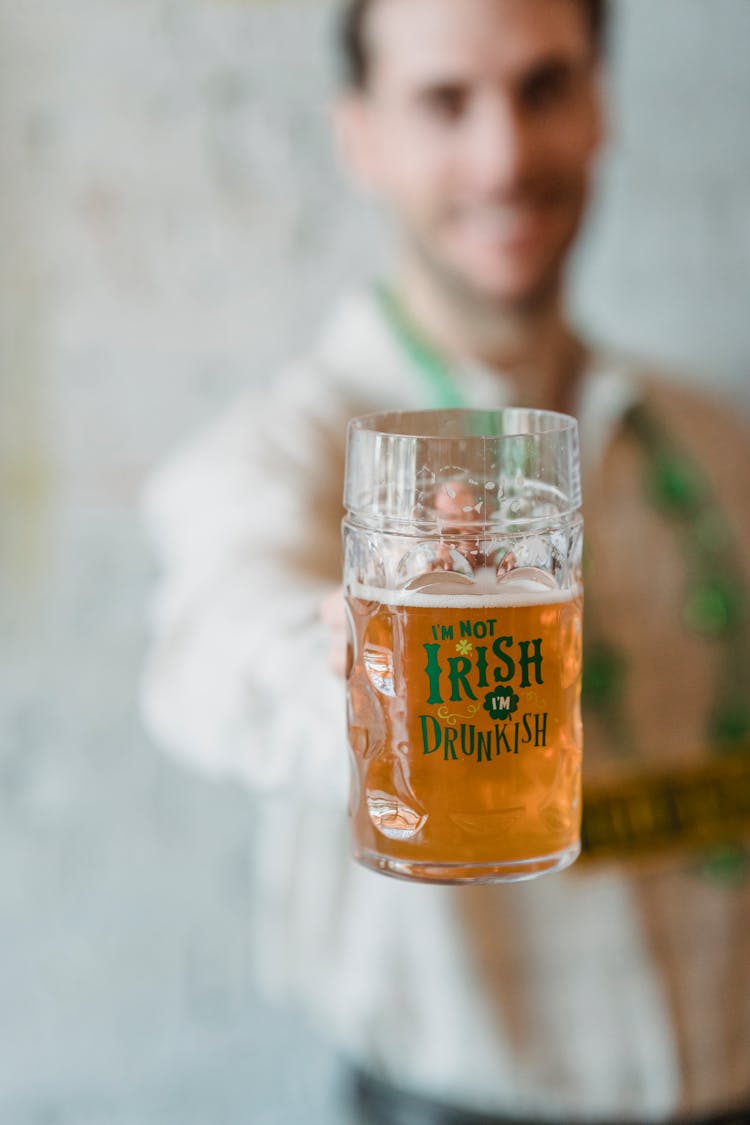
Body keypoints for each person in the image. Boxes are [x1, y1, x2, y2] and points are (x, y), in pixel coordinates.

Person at [142, 0, 750, 1121]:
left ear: (600, 105)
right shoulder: (280, 453)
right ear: (358, 135)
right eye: (444, 102)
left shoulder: (716, 443)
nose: (504, 156)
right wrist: (341, 680)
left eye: (543, 88)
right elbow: (209, 650)